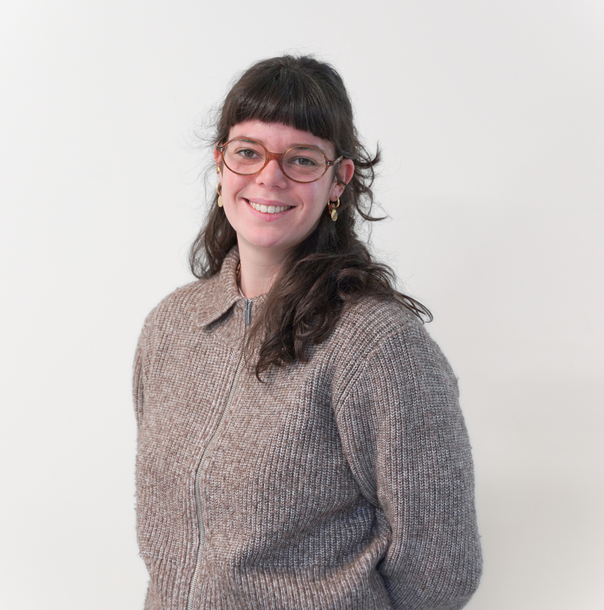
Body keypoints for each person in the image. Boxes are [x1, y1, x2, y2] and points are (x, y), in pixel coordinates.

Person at [133, 55, 482, 610]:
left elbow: (441, 568)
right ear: (221, 163)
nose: (269, 177)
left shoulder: (377, 345)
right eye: (248, 151)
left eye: (301, 159)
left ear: (338, 179)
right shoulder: (171, 326)